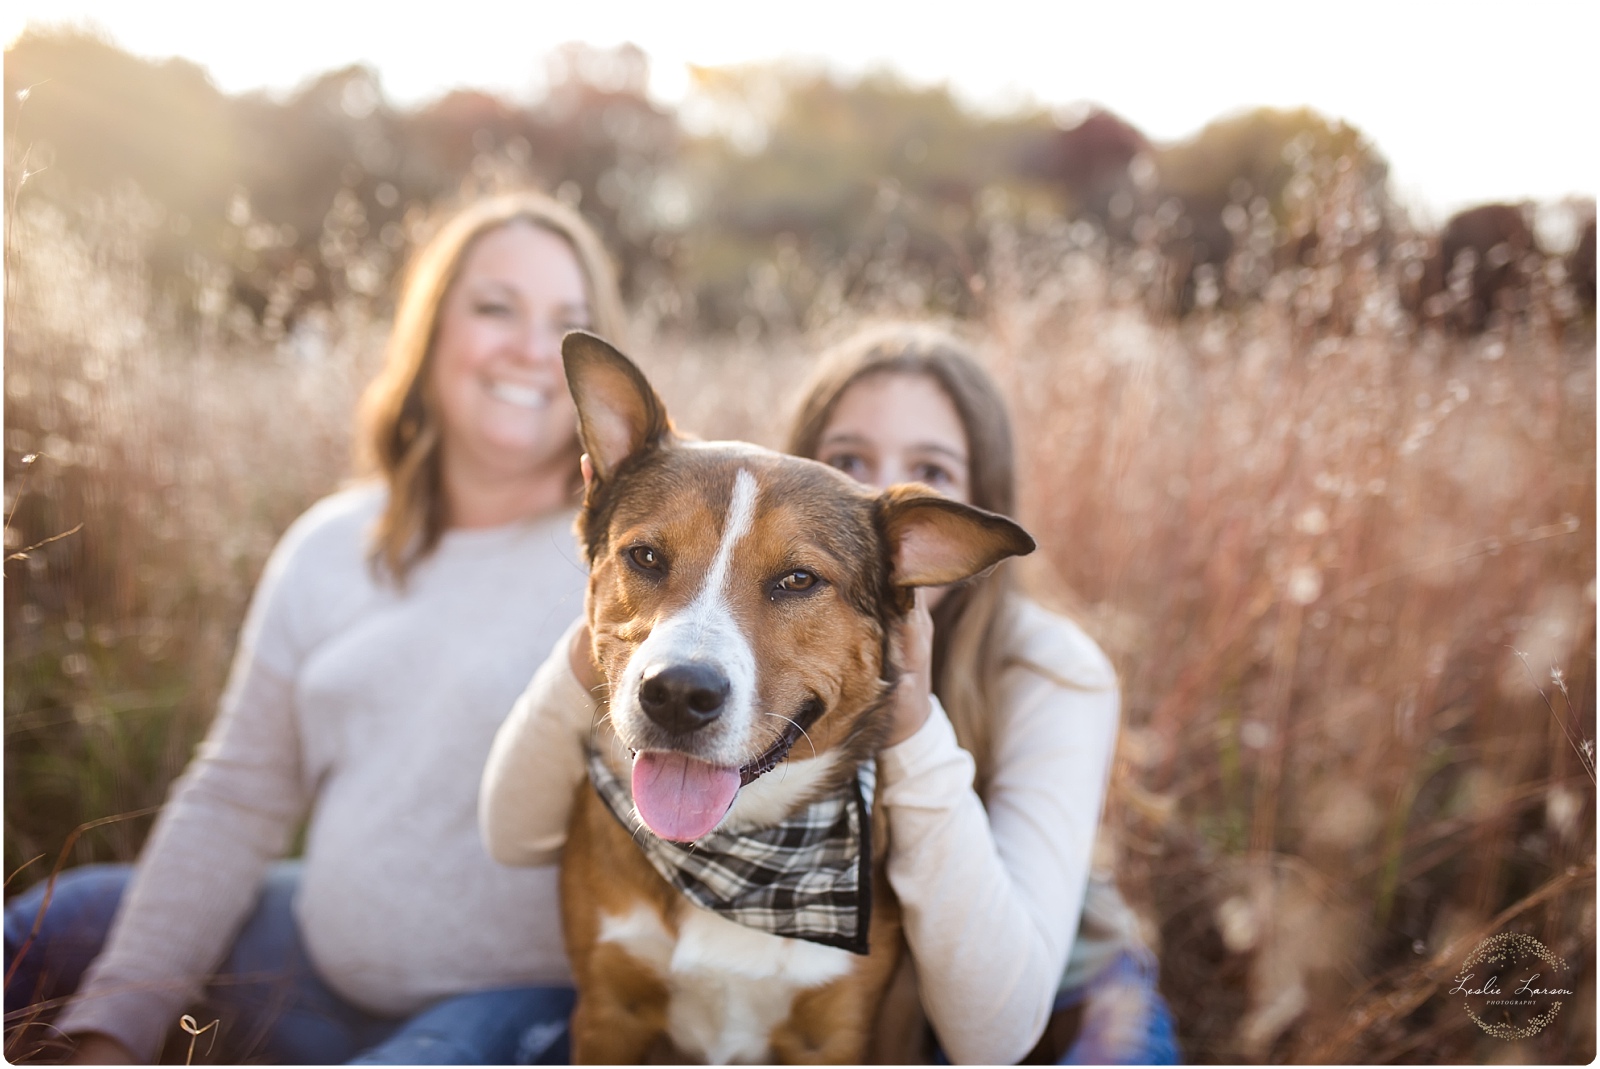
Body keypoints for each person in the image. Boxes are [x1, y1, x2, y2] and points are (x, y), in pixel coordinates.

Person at [4, 189, 627, 1064]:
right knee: (52, 923)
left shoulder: (637, 554)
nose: (532, 348)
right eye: (496, 307)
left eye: (567, 322)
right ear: (431, 331)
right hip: (307, 964)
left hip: (518, 1004)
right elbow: (238, 793)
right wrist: (114, 1027)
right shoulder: (331, 543)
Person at [480, 322, 1180, 1064]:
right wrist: (611, 636)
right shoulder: (687, 549)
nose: (879, 485)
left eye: (797, 579)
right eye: (847, 459)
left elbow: (992, 1036)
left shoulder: (1051, 664)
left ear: (940, 531)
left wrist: (912, 725)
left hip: (1065, 1010)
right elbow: (511, 833)